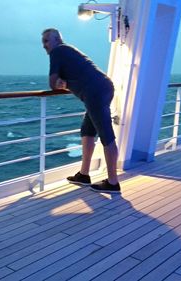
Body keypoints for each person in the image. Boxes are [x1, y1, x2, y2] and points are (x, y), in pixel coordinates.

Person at [41, 28, 120, 193]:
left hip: (95, 92)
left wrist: (61, 82)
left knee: (106, 134)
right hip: (103, 87)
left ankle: (113, 182)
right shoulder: (68, 50)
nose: (44, 45)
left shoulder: (57, 51)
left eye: (47, 40)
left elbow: (52, 83)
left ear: (56, 39)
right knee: (87, 130)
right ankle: (84, 174)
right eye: (43, 42)